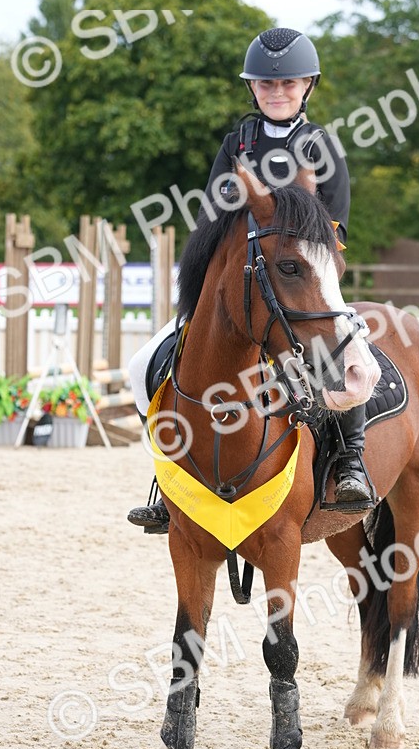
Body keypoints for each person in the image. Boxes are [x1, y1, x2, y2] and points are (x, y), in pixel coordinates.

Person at [127, 27, 375, 534]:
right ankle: (166, 475)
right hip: (242, 284)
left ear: (307, 86)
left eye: (287, 84)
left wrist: (298, 248)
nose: (276, 92)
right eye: (266, 84)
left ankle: (350, 459)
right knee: (142, 366)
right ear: (253, 88)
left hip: (304, 281)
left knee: (344, 359)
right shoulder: (236, 143)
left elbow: (336, 226)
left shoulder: (322, 146)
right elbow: (211, 217)